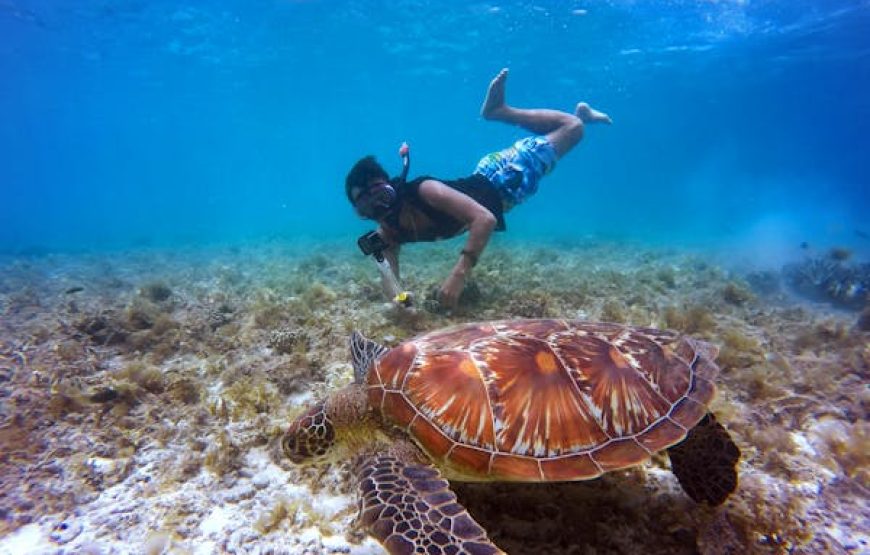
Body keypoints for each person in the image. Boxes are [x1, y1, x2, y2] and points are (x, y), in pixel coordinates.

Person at [345, 68, 611, 309]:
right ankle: (583, 116)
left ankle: (500, 111)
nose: (380, 209)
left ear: (393, 186)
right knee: (565, 134)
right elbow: (391, 283)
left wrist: (458, 276)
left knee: (572, 130)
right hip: (489, 177)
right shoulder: (388, 234)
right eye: (367, 207)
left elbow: (484, 219)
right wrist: (403, 303)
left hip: (506, 178)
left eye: (382, 196)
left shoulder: (425, 191)